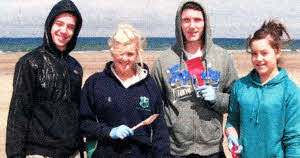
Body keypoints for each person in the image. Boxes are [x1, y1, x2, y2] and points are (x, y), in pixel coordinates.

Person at [151, 0, 238, 157]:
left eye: (197, 20)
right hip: (175, 150)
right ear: (179, 23)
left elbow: (236, 103)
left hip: (212, 150)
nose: (192, 26)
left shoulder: (223, 58)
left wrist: (217, 98)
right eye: (186, 20)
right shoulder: (163, 61)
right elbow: (155, 106)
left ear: (205, 22)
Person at [6, 0, 83, 158]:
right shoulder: (29, 63)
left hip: (70, 153)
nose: (64, 30)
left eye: (70, 27)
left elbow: (75, 114)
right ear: (50, 25)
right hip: (39, 153)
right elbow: (18, 114)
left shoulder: (75, 67)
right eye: (59, 23)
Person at [80, 24, 170, 158]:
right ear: (112, 52)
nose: (124, 59)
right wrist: (109, 132)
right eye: (120, 53)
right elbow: (83, 124)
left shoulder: (149, 84)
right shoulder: (95, 83)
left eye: (130, 54)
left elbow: (160, 129)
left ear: (138, 53)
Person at [225, 20, 300, 157]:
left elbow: (294, 140)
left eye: (264, 53)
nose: (258, 59)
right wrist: (232, 136)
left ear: (277, 52)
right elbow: (232, 121)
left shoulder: (291, 91)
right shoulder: (240, 86)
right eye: (254, 53)